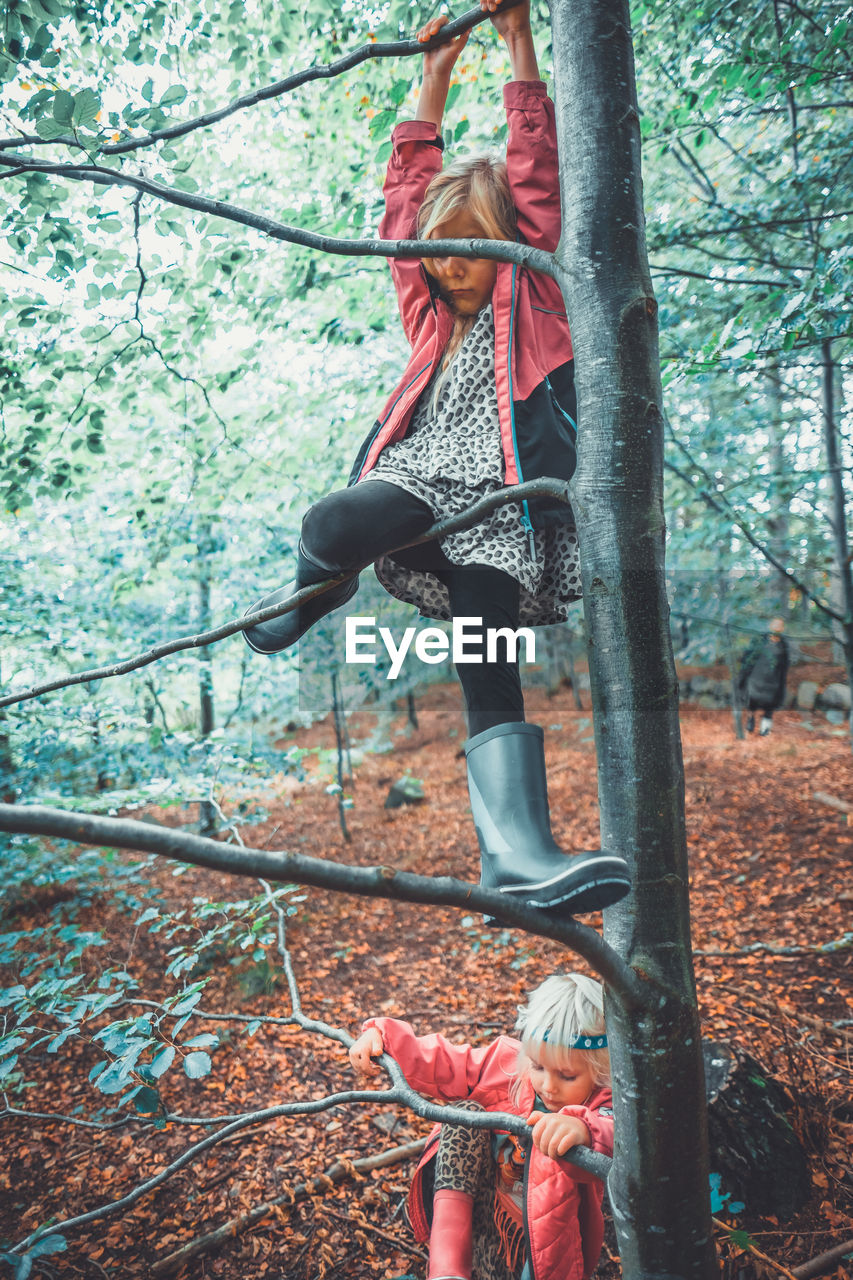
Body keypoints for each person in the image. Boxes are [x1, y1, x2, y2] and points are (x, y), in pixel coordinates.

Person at [242, 2, 630, 918]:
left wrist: (518, 45)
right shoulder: (426, 320)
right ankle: (321, 579)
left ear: (503, 248)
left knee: (483, 653)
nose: (452, 269)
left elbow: (536, 177)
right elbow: (402, 207)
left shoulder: (533, 294)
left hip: (499, 506)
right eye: (441, 256)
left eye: (470, 253)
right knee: (333, 522)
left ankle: (515, 859)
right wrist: (433, 74)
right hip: (423, 479)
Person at [348, 972, 614, 1280]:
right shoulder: (508, 1066)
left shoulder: (600, 1104)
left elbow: (614, 1132)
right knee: (463, 1115)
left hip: (541, 1253)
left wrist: (582, 1129)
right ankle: (448, 1271)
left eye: (567, 1076)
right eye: (539, 1067)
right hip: (484, 1221)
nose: (549, 1086)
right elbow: (446, 1062)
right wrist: (384, 1038)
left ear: (599, 1069)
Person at [737, 617, 790, 736]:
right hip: (756, 678)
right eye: (774, 625)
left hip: (773, 682)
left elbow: (785, 666)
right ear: (770, 626)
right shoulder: (760, 640)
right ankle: (750, 720)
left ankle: (765, 730)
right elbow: (748, 658)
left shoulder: (784, 645)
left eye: (779, 626)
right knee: (752, 702)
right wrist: (744, 675)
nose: (776, 628)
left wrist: (781, 682)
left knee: (770, 705)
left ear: (782, 629)